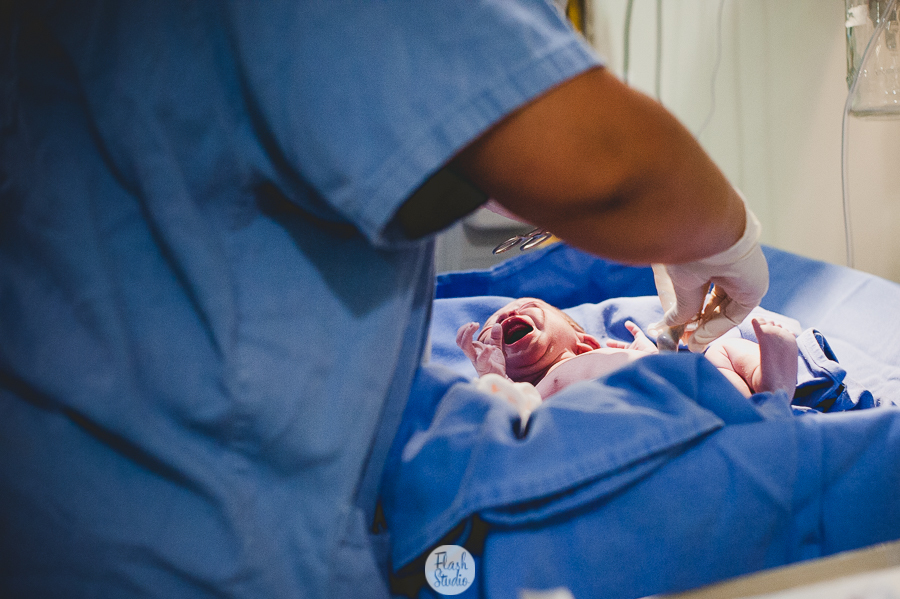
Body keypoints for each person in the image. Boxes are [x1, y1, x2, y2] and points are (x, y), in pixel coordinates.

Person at [0, 2, 769, 597]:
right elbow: (604, 164)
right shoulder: (493, 373)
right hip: (184, 535)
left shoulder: (622, 350)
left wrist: (696, 357)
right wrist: (724, 234)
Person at [456, 298, 799, 401]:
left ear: (585, 343)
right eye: (492, 331)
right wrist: (493, 377)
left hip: (698, 391)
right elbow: (507, 424)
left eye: (530, 306)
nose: (508, 314)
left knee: (721, 349)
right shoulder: (536, 393)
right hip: (655, 415)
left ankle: (771, 383)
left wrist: (650, 354)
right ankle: (771, 399)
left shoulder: (594, 356)